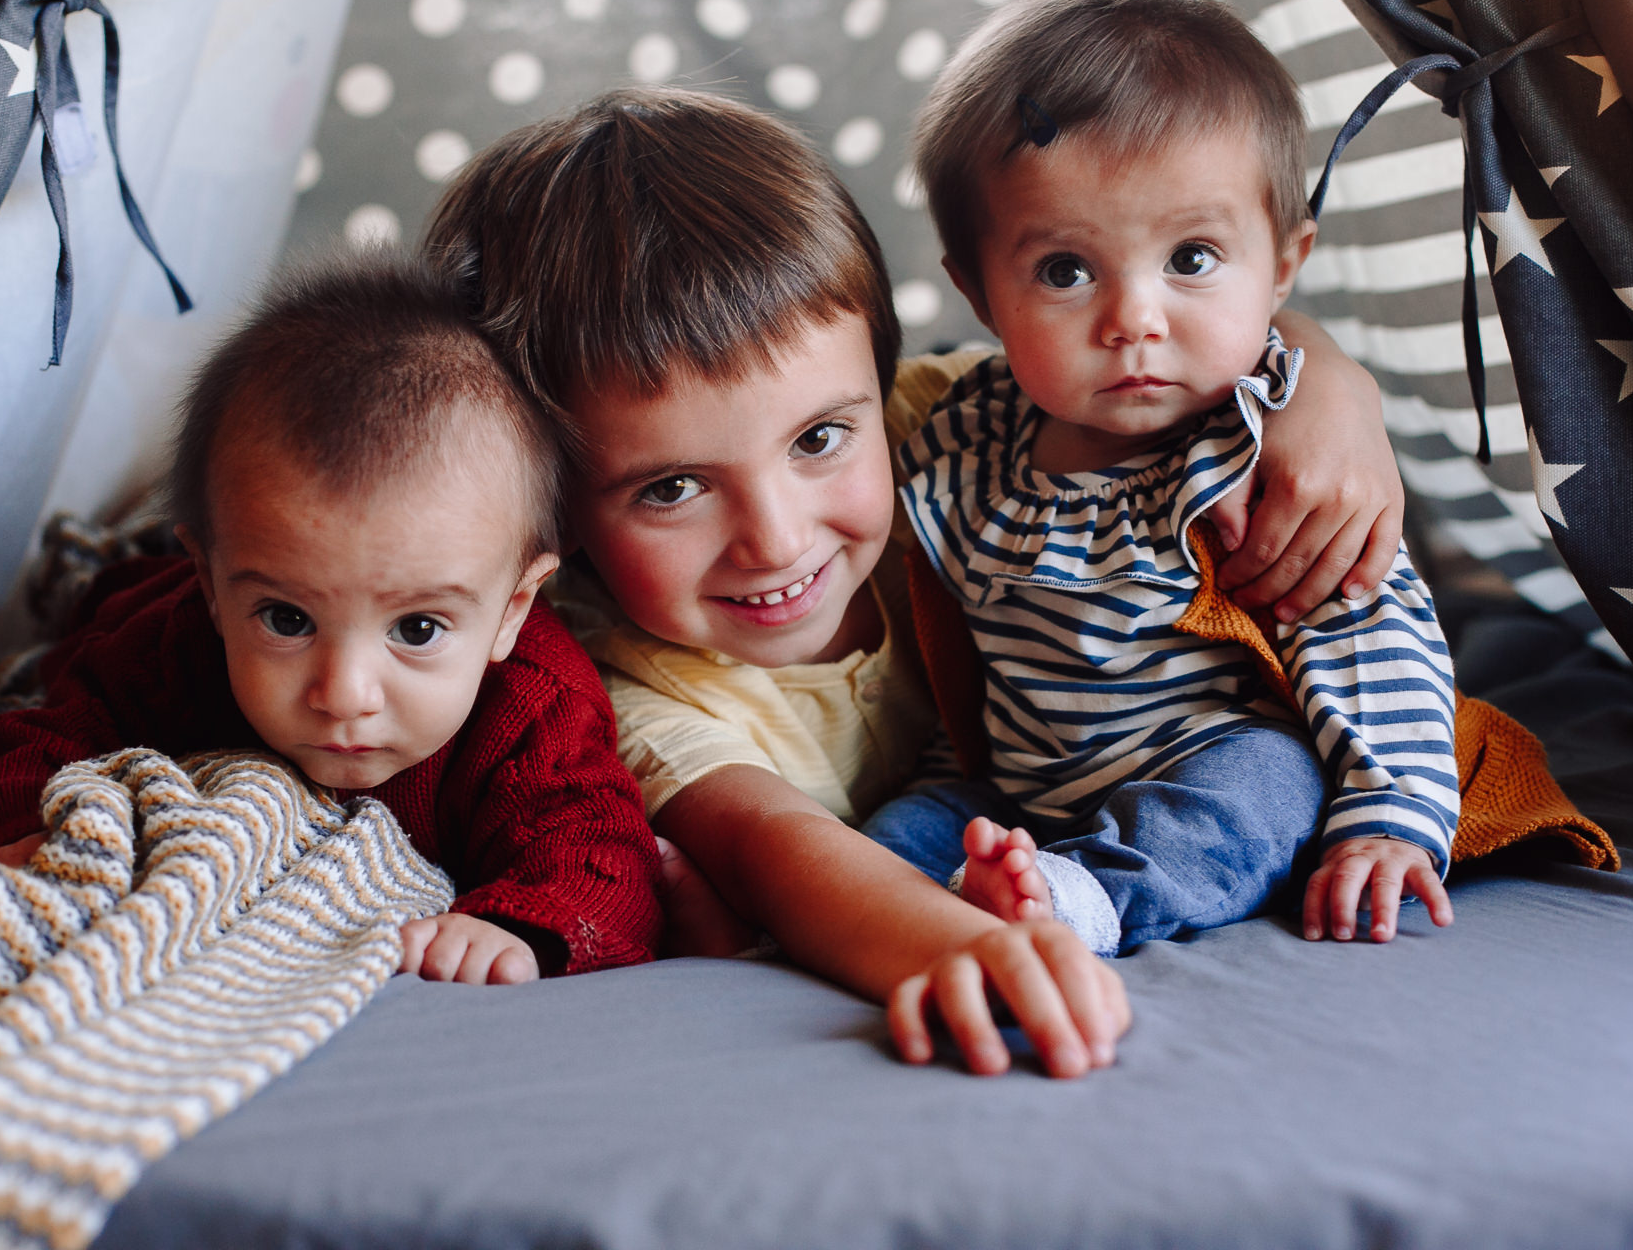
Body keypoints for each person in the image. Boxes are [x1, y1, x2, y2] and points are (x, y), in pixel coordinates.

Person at [423, 81, 1401, 1075]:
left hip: (1121, 756)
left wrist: (1328, 384)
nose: (775, 536)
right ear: (556, 515)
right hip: (939, 844)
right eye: (671, 487)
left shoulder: (937, 428)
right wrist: (970, 947)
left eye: (817, 438)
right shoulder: (622, 681)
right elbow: (785, 850)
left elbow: (1181, 361)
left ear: (879, 384)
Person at [875, 0, 1456, 957]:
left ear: (1282, 264)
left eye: (1191, 256)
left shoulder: (1262, 449)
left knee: (1264, 787)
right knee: (901, 827)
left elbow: (1366, 629)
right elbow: (964, 655)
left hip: (1208, 757)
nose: (1134, 318)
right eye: (1065, 270)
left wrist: (1393, 812)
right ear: (979, 293)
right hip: (1020, 783)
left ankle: (1092, 898)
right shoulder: (964, 444)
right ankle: (820, 906)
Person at [0, 254, 661, 985]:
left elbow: (601, 855)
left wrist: (512, 927)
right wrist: (19, 832)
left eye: (416, 630)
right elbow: (46, 739)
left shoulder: (534, 710)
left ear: (514, 608)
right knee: (106, 598)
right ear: (216, 588)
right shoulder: (173, 644)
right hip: (147, 594)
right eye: (287, 619)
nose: (344, 692)